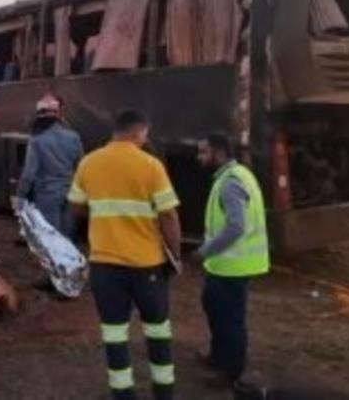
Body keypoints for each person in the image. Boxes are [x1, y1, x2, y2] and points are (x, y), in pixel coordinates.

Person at [67, 110, 182, 400]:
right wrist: (175, 256)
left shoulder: (88, 163)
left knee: (114, 333)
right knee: (158, 330)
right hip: (148, 265)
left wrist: (103, 214)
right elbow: (168, 216)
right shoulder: (151, 165)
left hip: (105, 266)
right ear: (136, 133)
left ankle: (123, 392)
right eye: (145, 135)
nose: (146, 139)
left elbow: (76, 207)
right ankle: (163, 390)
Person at [194, 133, 270, 393]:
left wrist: (205, 251)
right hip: (225, 265)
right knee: (213, 306)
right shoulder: (235, 176)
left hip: (233, 267)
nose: (199, 157)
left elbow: (236, 226)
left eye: (203, 152)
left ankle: (231, 373)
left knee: (230, 320)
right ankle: (218, 357)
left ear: (218, 152)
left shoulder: (230, 182)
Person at [16, 94, 83, 239]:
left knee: (51, 237)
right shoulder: (74, 136)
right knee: (67, 236)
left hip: (47, 194)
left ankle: (55, 262)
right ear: (57, 115)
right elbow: (80, 166)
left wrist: (20, 196)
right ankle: (69, 261)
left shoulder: (37, 140)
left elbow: (29, 173)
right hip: (70, 193)